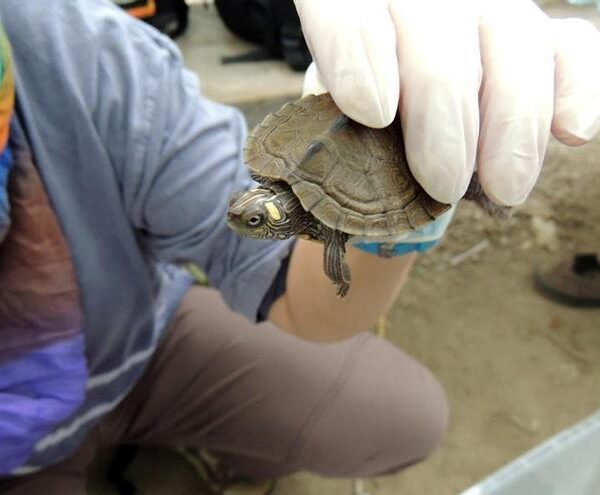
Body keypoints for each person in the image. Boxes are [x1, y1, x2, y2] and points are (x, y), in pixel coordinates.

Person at [0, 0, 598, 493]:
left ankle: (224, 451)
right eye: (256, 216)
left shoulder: (65, 48)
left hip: (136, 342)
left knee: (400, 412)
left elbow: (302, 293)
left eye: (256, 216)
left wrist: (407, 215)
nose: (248, 216)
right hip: (16, 451)